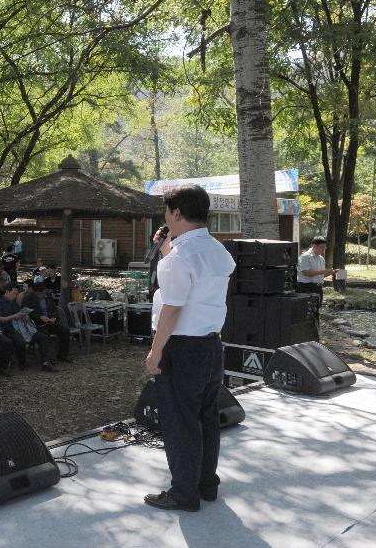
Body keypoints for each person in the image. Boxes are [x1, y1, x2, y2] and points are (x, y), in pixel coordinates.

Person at [143, 184, 236, 512]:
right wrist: (168, 248)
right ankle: (205, 484)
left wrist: (155, 352)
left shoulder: (178, 258)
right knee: (206, 417)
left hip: (181, 349)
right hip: (211, 345)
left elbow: (172, 307)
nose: (166, 217)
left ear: (176, 213)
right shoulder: (217, 250)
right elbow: (190, 278)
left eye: (167, 212)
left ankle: (184, 493)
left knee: (181, 422)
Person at [0, 282, 58, 372]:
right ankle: (22, 363)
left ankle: (46, 363)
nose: (16, 296)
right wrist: (14, 317)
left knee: (42, 337)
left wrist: (25, 315)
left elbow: (19, 313)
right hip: (9, 328)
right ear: (7, 292)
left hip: (22, 326)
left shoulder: (14, 303)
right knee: (20, 341)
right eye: (14, 294)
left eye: (16, 294)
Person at [23, 282, 71, 364]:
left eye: (43, 292)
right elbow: (26, 312)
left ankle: (63, 355)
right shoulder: (28, 299)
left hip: (50, 322)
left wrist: (54, 318)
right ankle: (47, 359)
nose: (43, 294)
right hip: (38, 324)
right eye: (40, 293)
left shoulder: (48, 296)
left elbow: (55, 310)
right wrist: (40, 317)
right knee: (45, 335)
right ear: (36, 292)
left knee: (65, 331)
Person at [297, 236, 335, 325]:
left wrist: (331, 272)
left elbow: (321, 275)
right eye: (321, 247)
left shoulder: (321, 258)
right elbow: (306, 272)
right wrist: (323, 271)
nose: (323, 250)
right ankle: (306, 331)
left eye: (324, 248)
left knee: (316, 310)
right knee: (307, 311)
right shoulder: (305, 256)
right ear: (314, 245)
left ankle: (315, 332)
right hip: (306, 287)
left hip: (318, 287)